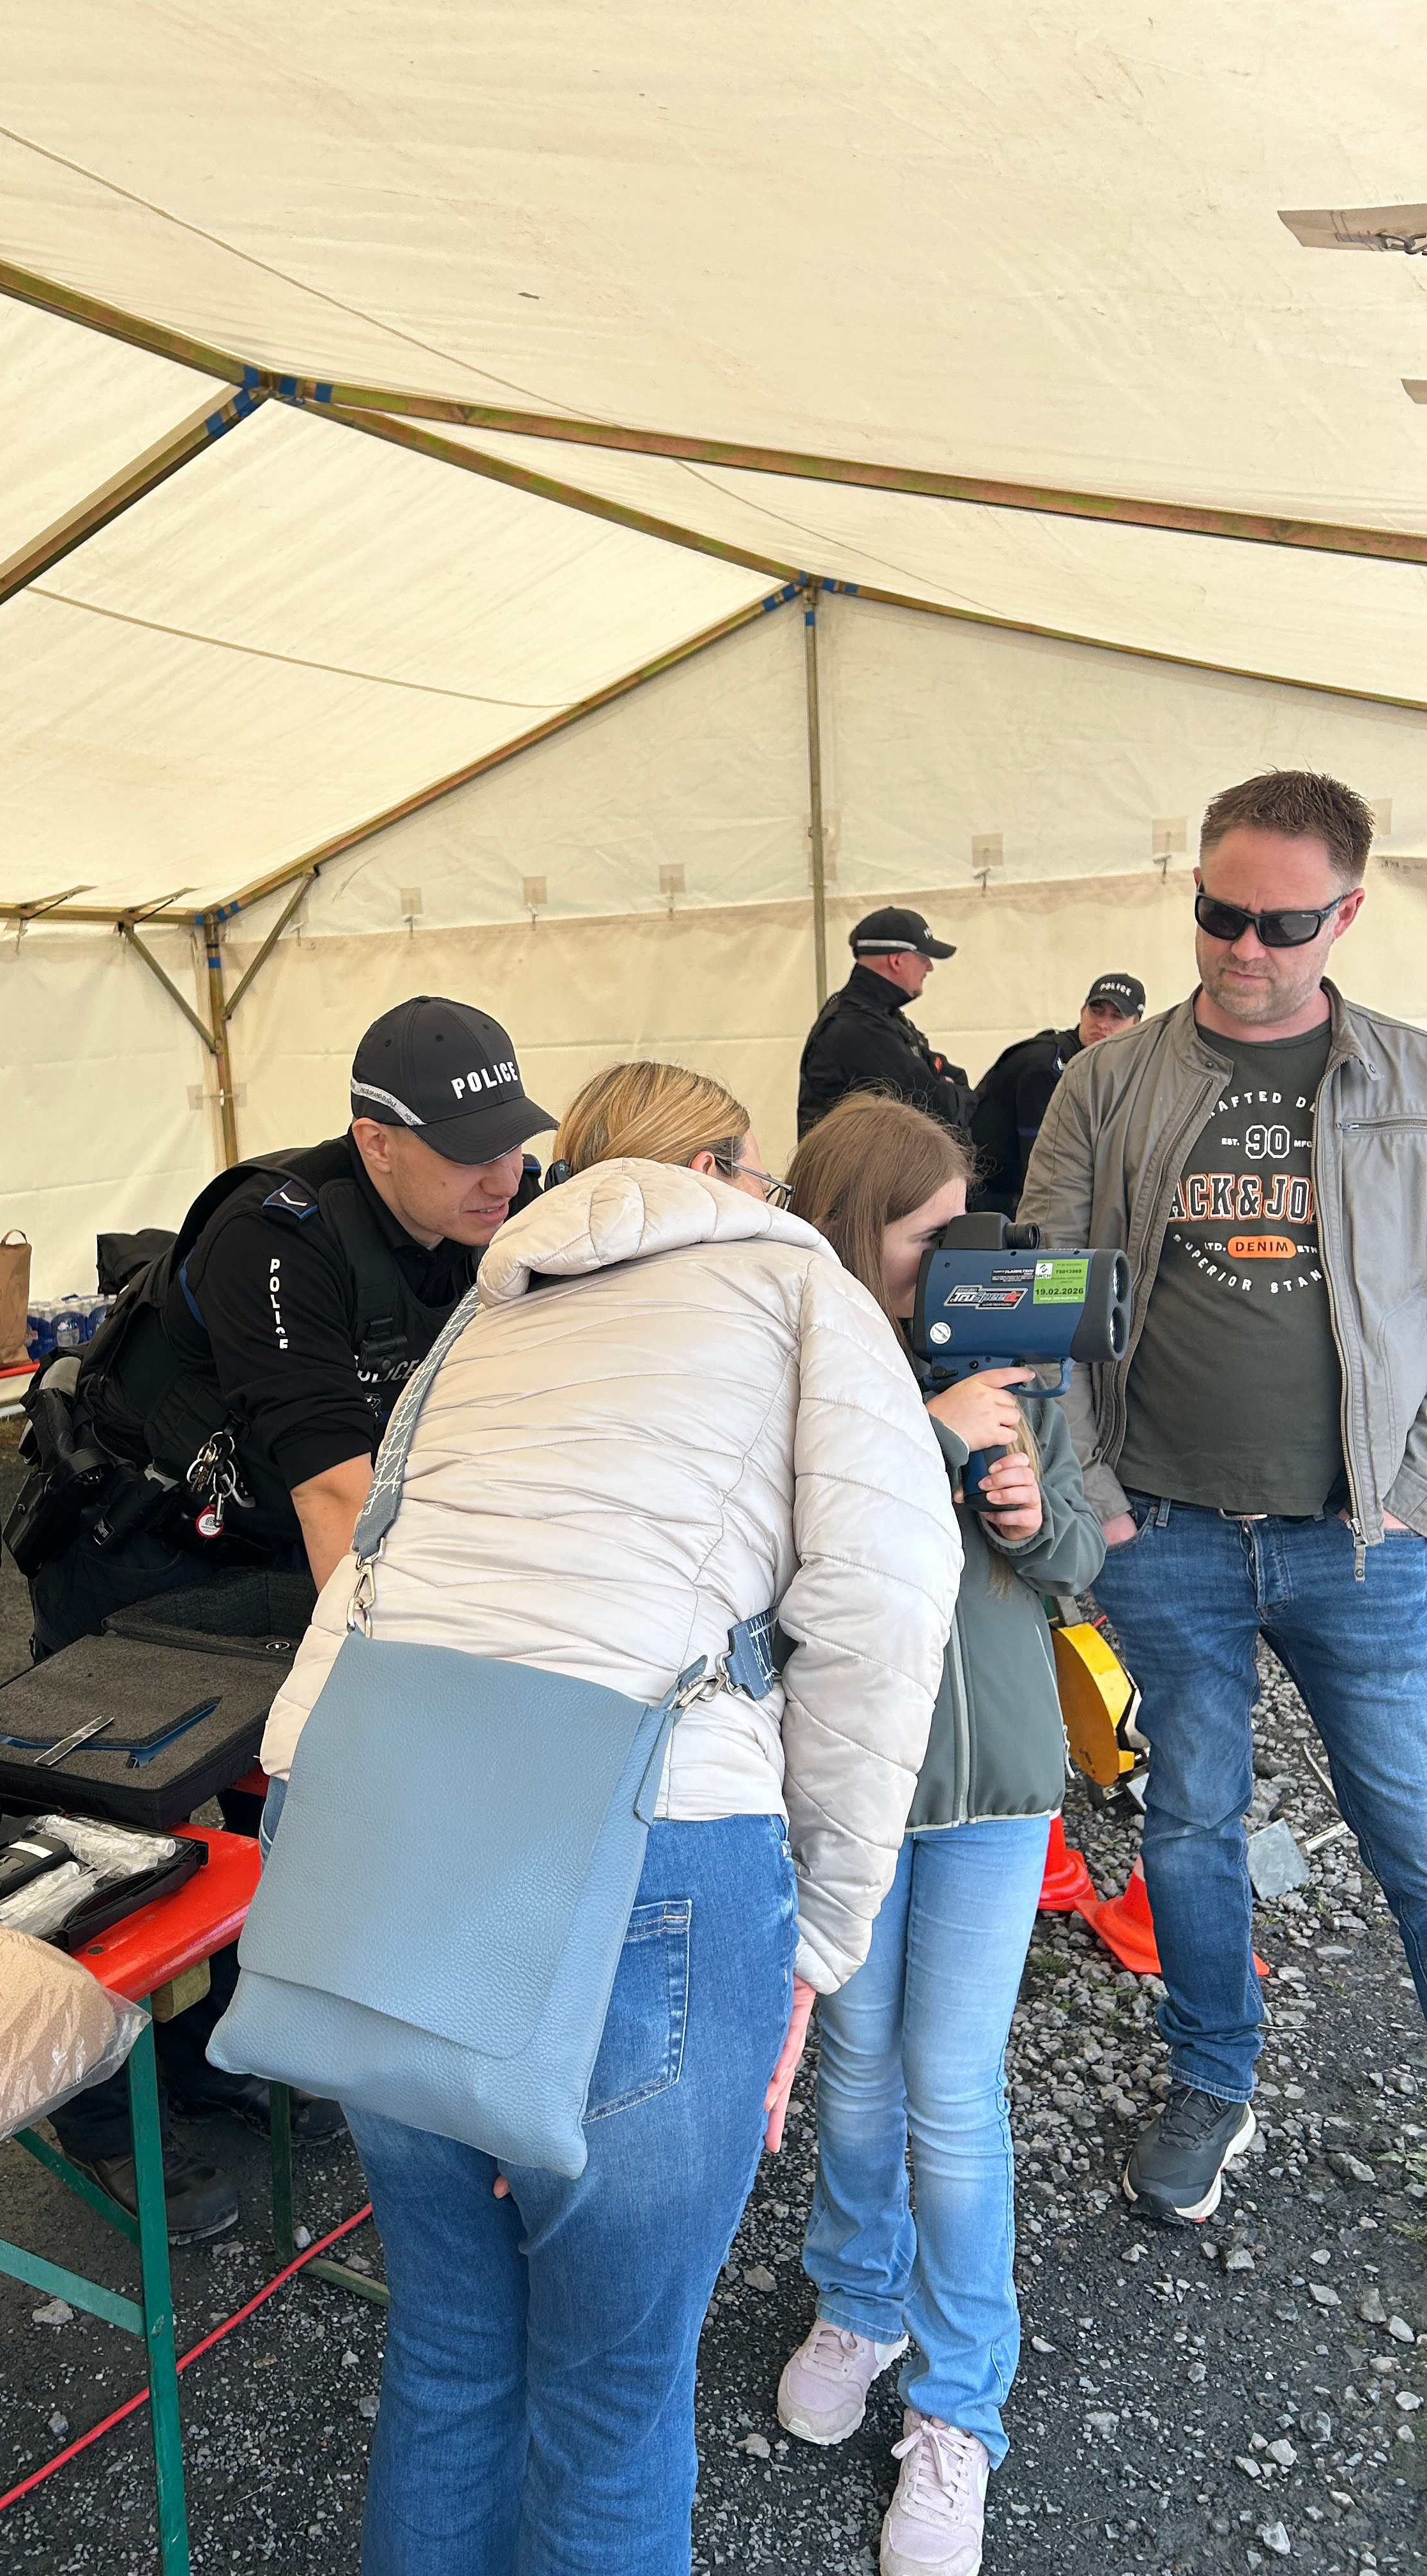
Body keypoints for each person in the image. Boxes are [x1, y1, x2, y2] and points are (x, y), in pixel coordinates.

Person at [255, 1059, 961, 2576]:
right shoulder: (803, 1291)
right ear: (718, 1172)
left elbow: (367, 1578)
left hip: (387, 1840)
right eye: (760, 1173)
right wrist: (821, 1942)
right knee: (613, 2398)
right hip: (653, 1846)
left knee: (452, 2349)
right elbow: (887, 1617)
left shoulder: (488, 1308)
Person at [36, 995, 554, 2227]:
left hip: (270, 1557)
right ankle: (102, 2119)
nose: (502, 1174)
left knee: (272, 1830)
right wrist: (399, 1694)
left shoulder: (486, 1221)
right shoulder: (275, 1236)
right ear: (376, 1141)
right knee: (118, 1854)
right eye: (466, 1151)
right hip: (141, 1564)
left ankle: (213, 2053)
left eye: (511, 1142)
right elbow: (335, 1490)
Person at [1019, 768, 1427, 2227]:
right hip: (1166, 1534)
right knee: (1189, 1822)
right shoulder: (1107, 1080)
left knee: (1409, 1827)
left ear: (1346, 915)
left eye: (1281, 924)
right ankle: (1210, 2079)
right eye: (1217, 914)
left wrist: (1413, 1490)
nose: (1243, 948)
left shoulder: (1408, 1081)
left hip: (1362, 1541)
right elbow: (1042, 1301)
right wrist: (1091, 1493)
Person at [780, 1093, 1104, 2576]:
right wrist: (920, 1434)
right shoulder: (794, 1373)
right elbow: (781, 1551)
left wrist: (1033, 1518)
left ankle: (960, 2407)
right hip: (852, 1787)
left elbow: (1079, 1560)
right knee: (854, 2073)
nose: (966, 1263)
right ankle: (860, 2303)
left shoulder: (1021, 1368)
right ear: (860, 1238)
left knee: (952, 2090)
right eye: (931, 1237)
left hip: (995, 1785)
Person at [968, 972, 1146, 1216]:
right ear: (1082, 1013)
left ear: (1137, 1027)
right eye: (1096, 1011)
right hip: (991, 1206)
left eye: (1117, 1016)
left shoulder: (1113, 1070)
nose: (1103, 1024)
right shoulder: (1046, 1065)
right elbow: (1044, 1168)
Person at [798, 907, 972, 1141]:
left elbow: (952, 1077)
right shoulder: (858, 1027)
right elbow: (938, 1109)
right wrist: (951, 1091)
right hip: (857, 1165)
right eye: (923, 957)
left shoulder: (880, 1015)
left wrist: (947, 1086)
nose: (929, 967)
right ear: (896, 961)